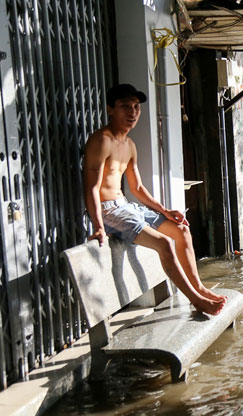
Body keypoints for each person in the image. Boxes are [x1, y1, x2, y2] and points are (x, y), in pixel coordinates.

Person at [83, 84, 226, 316]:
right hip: (109, 211)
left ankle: (199, 288)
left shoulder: (129, 145)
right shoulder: (101, 141)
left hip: (127, 207)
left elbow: (137, 187)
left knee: (181, 229)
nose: (132, 113)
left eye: (136, 107)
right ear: (110, 109)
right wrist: (98, 226)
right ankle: (196, 300)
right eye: (125, 107)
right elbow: (92, 187)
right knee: (165, 243)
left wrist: (165, 210)